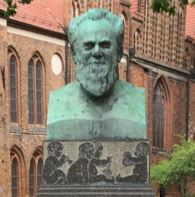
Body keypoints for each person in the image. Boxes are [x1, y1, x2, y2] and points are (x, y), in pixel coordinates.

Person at [47, 9, 146, 140]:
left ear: (118, 53)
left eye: (105, 45)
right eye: (89, 46)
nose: (97, 52)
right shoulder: (58, 102)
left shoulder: (135, 101)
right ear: (75, 54)